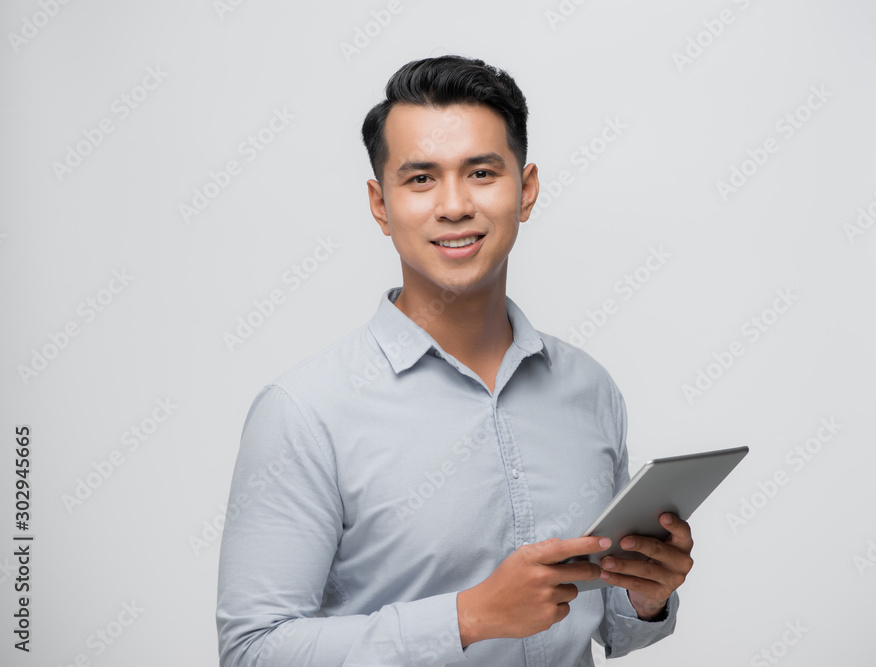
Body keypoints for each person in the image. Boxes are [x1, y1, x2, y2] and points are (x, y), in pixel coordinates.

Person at [216, 55, 694, 666]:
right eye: (420, 179)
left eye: (482, 173)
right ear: (380, 205)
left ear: (525, 191)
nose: (453, 205)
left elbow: (616, 633)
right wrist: (468, 618)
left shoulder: (589, 388)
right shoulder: (304, 412)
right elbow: (252, 653)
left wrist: (646, 594)